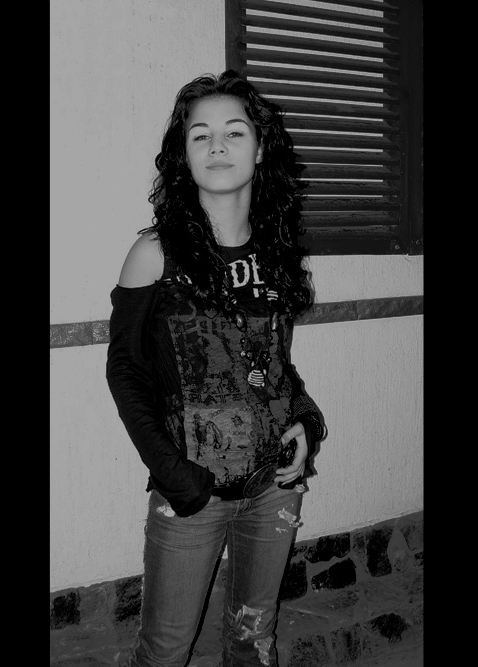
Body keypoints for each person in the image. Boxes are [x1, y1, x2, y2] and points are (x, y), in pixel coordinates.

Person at [106, 69, 327, 667]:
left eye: (234, 131)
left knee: (255, 639)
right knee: (165, 651)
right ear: (184, 155)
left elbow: (276, 367)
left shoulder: (278, 255)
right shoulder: (155, 252)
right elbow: (125, 371)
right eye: (200, 135)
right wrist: (173, 474)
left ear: (260, 148)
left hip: (276, 485)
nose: (217, 145)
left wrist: (306, 422)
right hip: (191, 491)